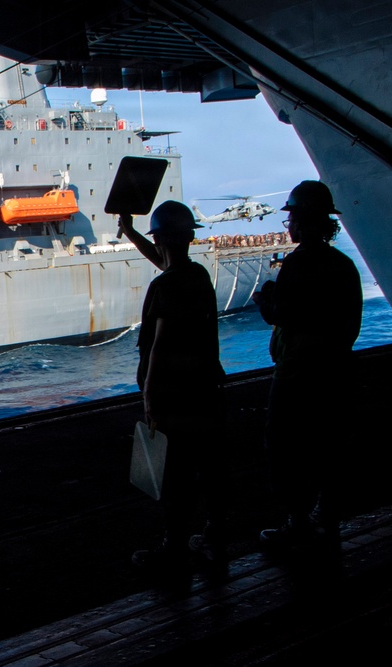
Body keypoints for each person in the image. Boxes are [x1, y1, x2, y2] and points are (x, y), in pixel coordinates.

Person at [253, 180, 362, 551]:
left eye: (292, 219)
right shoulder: (344, 265)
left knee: (285, 447)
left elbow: (282, 314)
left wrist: (264, 300)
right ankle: (325, 517)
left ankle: (297, 523)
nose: (290, 227)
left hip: (297, 374)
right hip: (335, 372)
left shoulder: (299, 262)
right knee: (327, 447)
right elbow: (351, 325)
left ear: (302, 221)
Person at [119, 201, 228, 573]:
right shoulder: (197, 275)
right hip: (204, 389)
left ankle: (175, 547)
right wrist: (132, 232)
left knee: (174, 474)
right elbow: (168, 262)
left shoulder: (164, 286)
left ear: (161, 238)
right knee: (209, 468)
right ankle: (214, 536)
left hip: (171, 394)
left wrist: (149, 397)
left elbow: (159, 346)